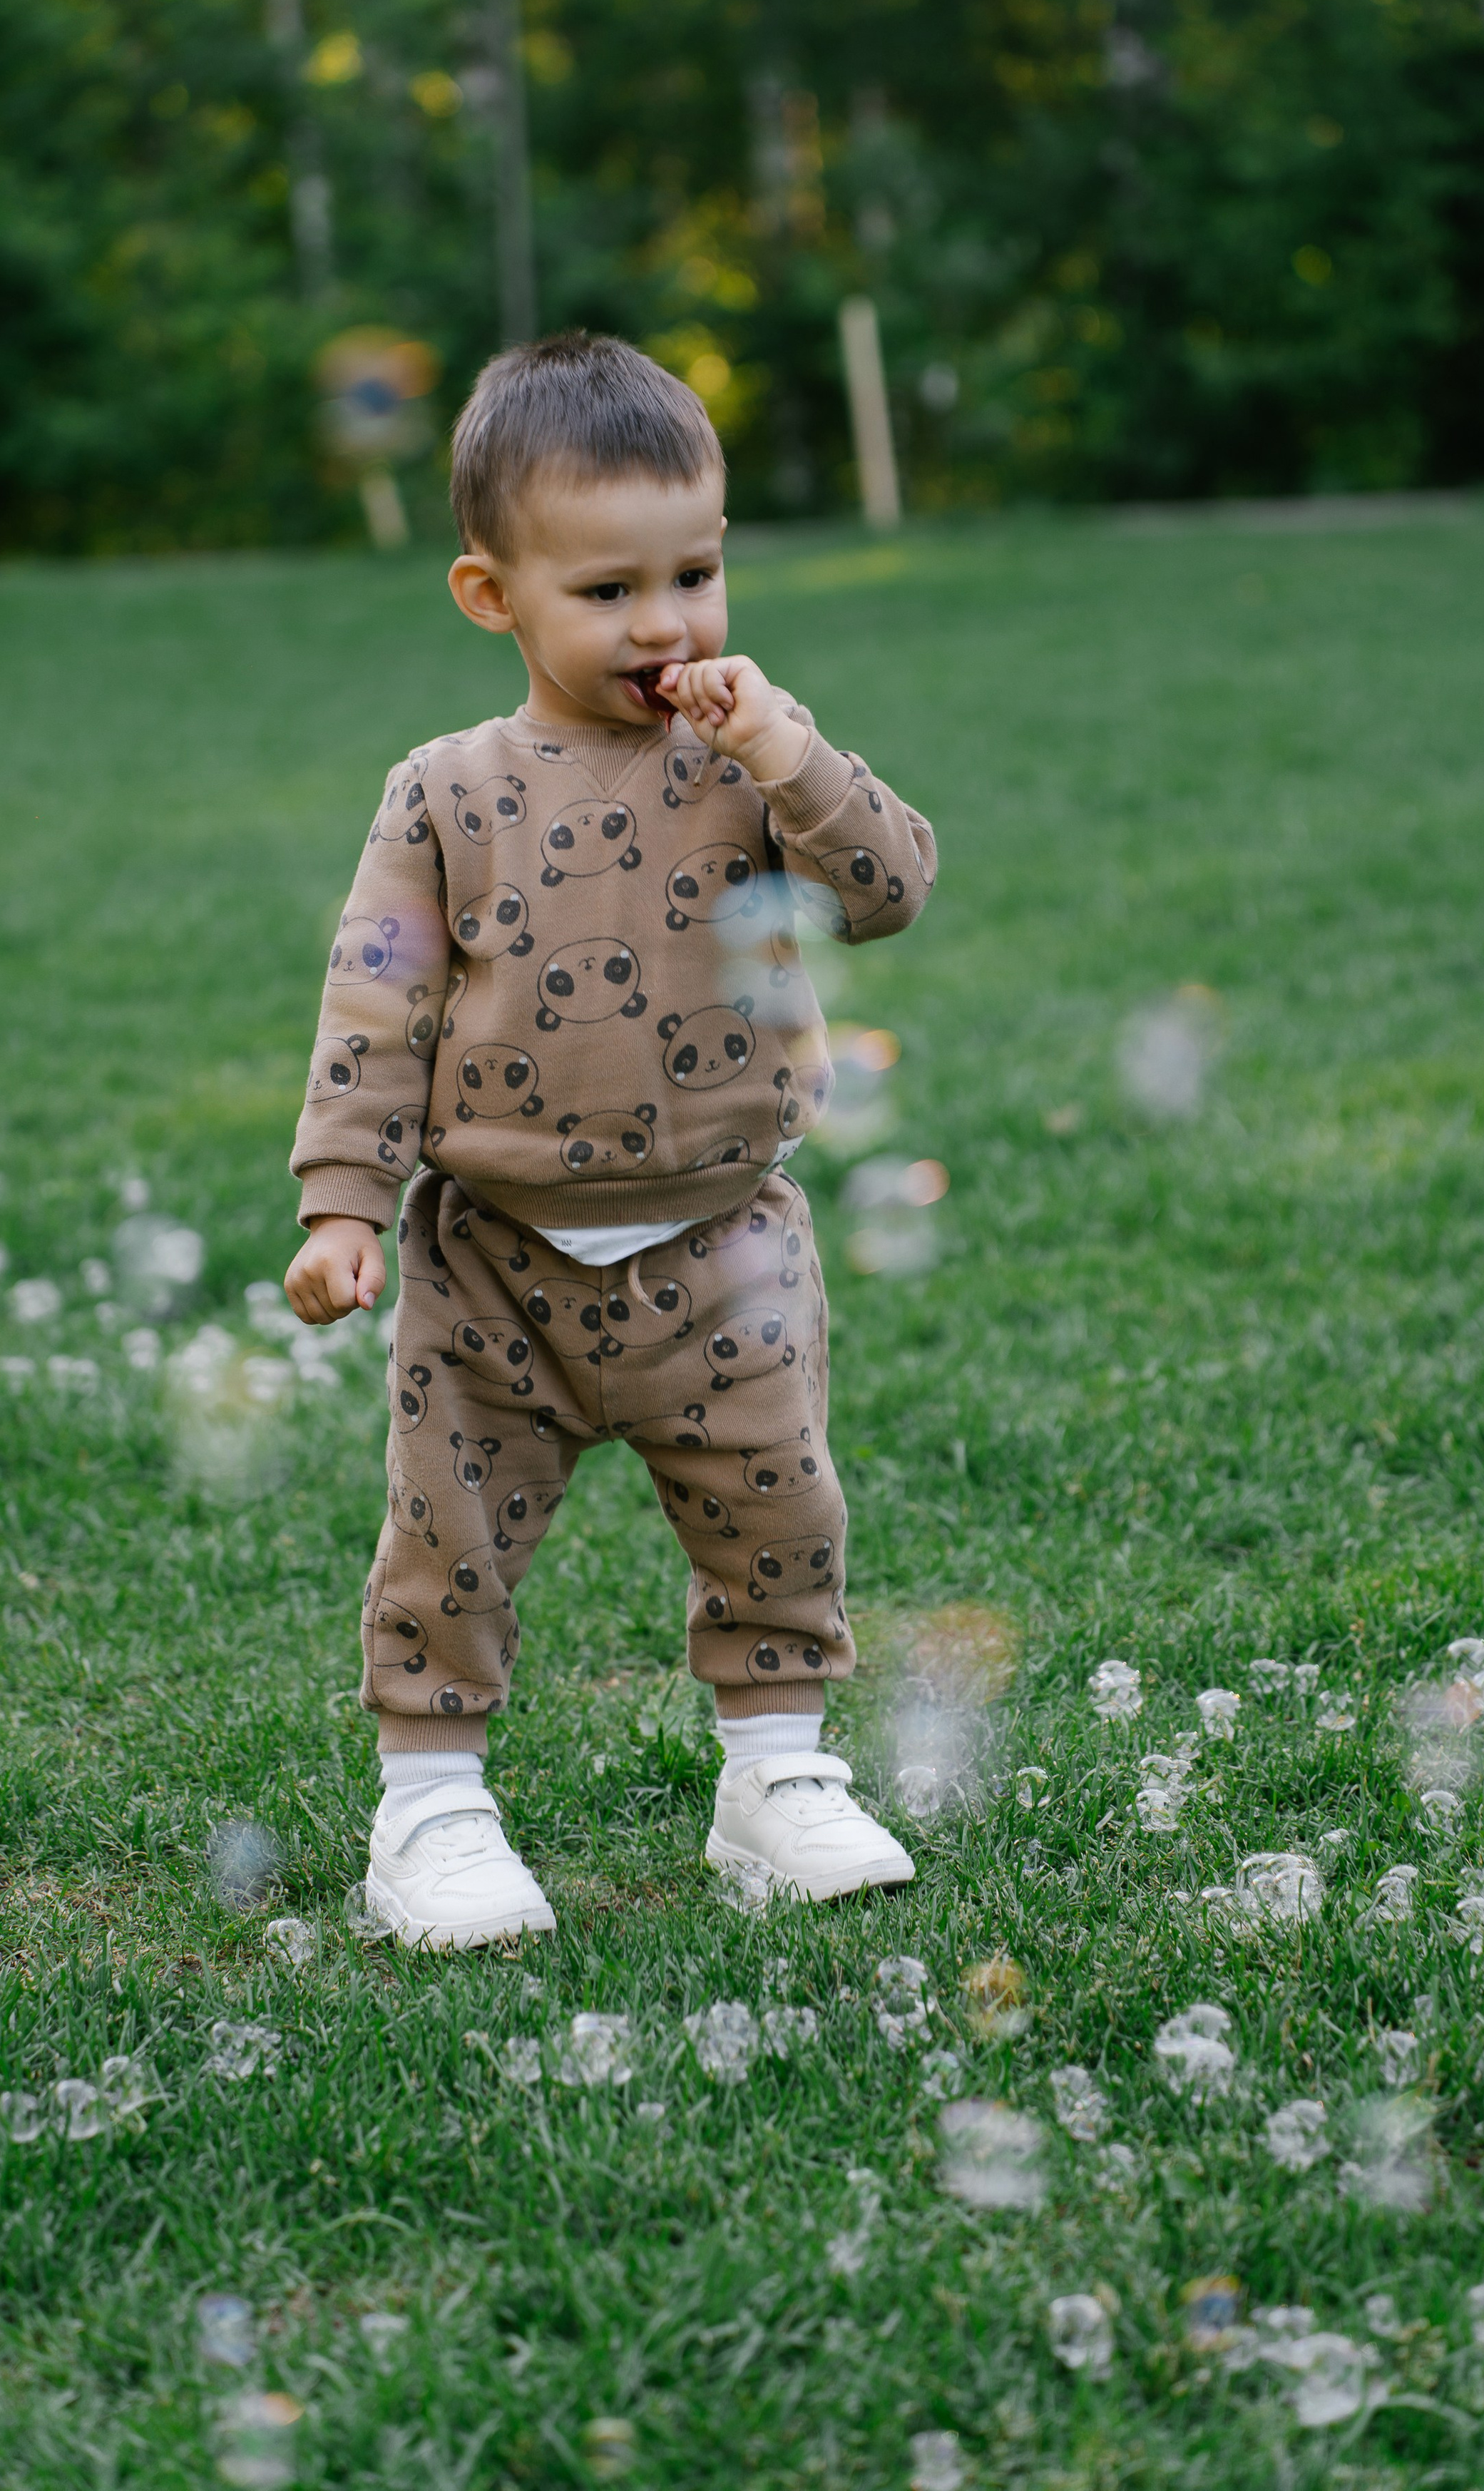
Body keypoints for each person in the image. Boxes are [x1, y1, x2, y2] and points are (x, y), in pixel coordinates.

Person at [284, 329, 937, 1948]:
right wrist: (341, 1204)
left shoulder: (755, 764)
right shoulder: (442, 793)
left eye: (695, 573)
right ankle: (430, 1812)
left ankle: (774, 1782)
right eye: (606, 590)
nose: (665, 624)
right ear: (489, 594)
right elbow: (378, 1001)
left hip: (726, 1243)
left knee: (775, 1515)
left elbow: (891, 890)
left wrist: (789, 750)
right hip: (490, 1263)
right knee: (448, 1539)